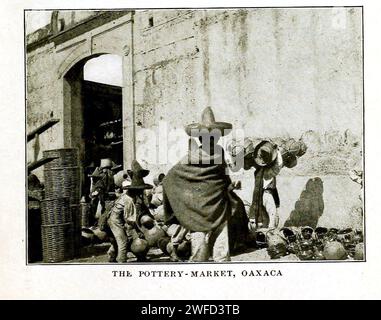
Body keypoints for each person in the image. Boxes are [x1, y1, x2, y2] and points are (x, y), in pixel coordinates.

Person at [162, 106, 249, 262]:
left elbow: (223, 178)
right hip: (198, 213)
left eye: (213, 136)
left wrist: (231, 186)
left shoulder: (220, 153)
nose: (210, 139)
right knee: (200, 254)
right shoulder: (191, 157)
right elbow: (170, 179)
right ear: (200, 138)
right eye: (206, 136)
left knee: (220, 253)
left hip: (218, 208)